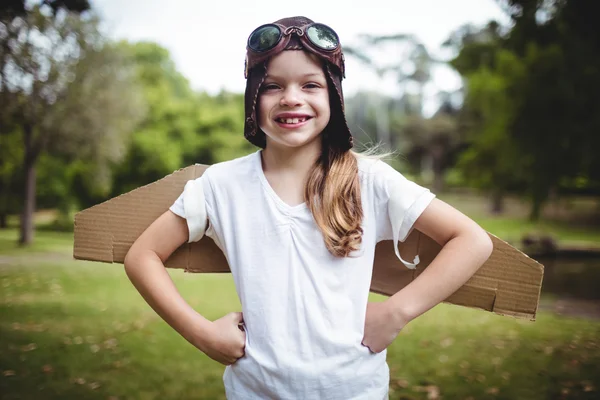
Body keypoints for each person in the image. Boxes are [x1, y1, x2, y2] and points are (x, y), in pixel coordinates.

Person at [124, 16, 493, 400]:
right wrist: (202, 334)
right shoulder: (222, 186)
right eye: (272, 86)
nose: (291, 98)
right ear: (253, 98)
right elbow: (143, 255)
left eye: (310, 84)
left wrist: (395, 312)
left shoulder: (370, 181)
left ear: (333, 95)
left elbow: (471, 240)